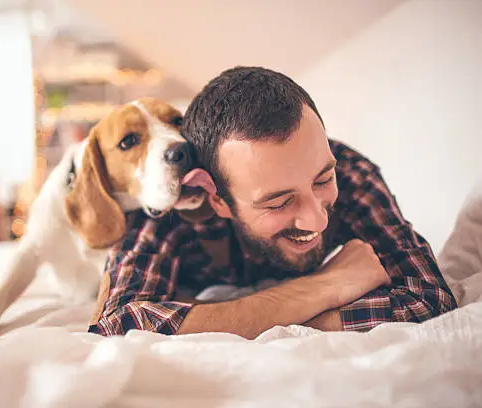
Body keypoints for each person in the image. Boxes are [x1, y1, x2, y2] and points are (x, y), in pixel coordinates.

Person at [88, 66, 457, 339]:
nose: (317, 221)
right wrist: (325, 286)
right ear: (215, 198)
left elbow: (428, 299)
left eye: (323, 180)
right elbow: (117, 327)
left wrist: (226, 322)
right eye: (278, 202)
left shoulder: (352, 172)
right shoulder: (173, 202)